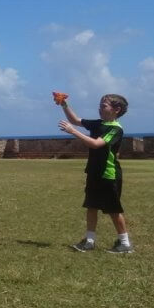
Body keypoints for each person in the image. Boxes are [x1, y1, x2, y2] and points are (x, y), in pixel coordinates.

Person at [57, 93, 132, 253]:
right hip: (94, 172)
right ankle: (89, 242)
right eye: (99, 105)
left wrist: (73, 132)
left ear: (116, 110)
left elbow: (96, 144)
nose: (99, 109)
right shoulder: (98, 124)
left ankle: (125, 244)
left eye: (103, 106)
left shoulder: (115, 129)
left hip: (108, 174)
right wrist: (64, 104)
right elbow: (75, 120)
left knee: (113, 210)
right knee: (91, 206)